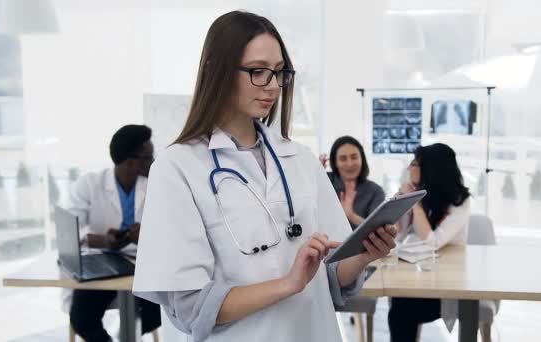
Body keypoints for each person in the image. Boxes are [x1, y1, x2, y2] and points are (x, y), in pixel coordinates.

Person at [132, 11, 398, 342]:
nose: (272, 86)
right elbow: (192, 308)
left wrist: (364, 254)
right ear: (216, 69)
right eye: (258, 72)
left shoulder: (300, 159)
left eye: (279, 73)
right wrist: (289, 282)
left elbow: (331, 276)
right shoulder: (177, 168)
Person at [67, 124, 160, 342]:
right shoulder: (89, 184)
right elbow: (72, 228)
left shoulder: (156, 184)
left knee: (160, 309)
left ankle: (126, 336)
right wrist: (102, 241)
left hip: (143, 265)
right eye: (148, 157)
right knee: (81, 318)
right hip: (103, 263)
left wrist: (148, 235)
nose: (153, 162)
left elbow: (172, 226)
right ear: (131, 162)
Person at [387, 143, 471, 342]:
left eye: (414, 164)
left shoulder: (460, 201)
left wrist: (415, 203)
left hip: (448, 286)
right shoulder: (424, 194)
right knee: (399, 304)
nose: (409, 168)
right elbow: (398, 236)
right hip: (421, 276)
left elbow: (433, 242)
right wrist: (399, 205)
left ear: (432, 169)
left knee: (401, 310)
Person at [320, 136, 385, 229]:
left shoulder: (375, 191)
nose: (349, 164)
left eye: (354, 157)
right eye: (343, 159)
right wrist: (316, 173)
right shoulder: (325, 181)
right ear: (335, 162)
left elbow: (378, 230)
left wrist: (351, 215)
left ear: (362, 159)